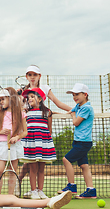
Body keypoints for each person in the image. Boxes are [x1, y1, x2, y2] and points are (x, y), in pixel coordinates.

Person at [18, 65, 72, 198]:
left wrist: (73, 110)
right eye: (29, 75)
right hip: (29, 136)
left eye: (34, 74)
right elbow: (20, 109)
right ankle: (25, 186)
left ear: (39, 76)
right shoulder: (23, 93)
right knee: (29, 164)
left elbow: (56, 106)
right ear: (26, 76)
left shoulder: (45, 89)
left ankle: (37, 190)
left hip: (41, 137)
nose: (32, 77)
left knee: (38, 165)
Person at [58, 83, 96, 199]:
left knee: (66, 159)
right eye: (73, 95)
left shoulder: (86, 108)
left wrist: (73, 114)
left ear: (85, 94)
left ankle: (71, 186)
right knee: (84, 166)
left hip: (83, 142)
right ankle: (91, 190)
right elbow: (69, 112)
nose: (74, 97)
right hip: (78, 141)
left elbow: (76, 122)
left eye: (77, 94)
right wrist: (53, 114)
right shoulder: (78, 106)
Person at [20, 88, 56, 200]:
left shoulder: (47, 112)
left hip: (43, 143)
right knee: (33, 168)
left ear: (40, 99)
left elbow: (49, 129)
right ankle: (34, 191)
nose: (29, 99)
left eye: (32, 97)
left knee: (41, 168)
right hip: (31, 143)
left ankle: (40, 191)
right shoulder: (26, 112)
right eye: (28, 97)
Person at [0, 87, 27, 194]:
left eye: (3, 99)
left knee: (12, 171)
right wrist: (0, 131)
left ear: (11, 99)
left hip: (14, 146)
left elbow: (25, 132)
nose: (1, 102)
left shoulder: (21, 113)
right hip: (2, 145)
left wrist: (17, 137)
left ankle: (10, 196)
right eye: (0, 100)